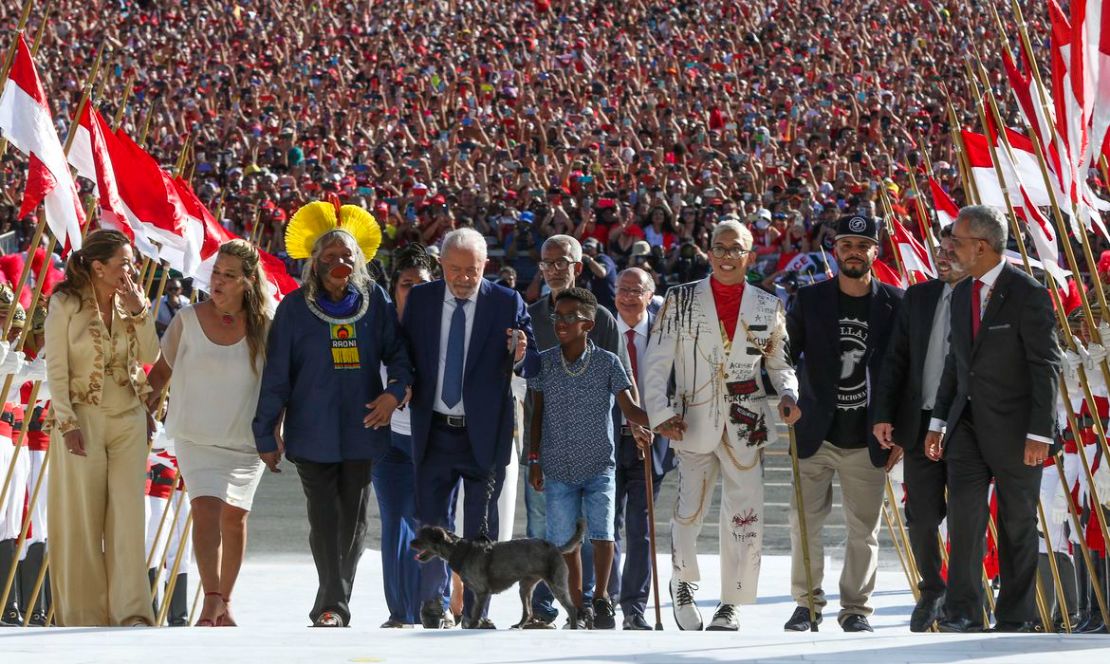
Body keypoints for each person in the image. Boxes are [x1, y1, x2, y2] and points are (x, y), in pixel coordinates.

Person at [254, 200, 413, 628]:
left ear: (358, 261)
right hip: (312, 433)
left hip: (364, 429)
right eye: (330, 256)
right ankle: (335, 604)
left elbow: (399, 357)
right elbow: (276, 377)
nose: (340, 262)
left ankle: (331, 601)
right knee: (324, 519)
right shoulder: (293, 308)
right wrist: (266, 434)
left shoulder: (375, 301)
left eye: (347, 256)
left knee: (355, 523)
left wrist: (393, 394)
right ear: (315, 263)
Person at [645, 219, 800, 631]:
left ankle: (732, 601)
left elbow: (780, 364)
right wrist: (659, 413)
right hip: (689, 419)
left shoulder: (768, 306)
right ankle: (683, 580)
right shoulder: (678, 300)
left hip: (747, 423)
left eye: (737, 249)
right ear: (708, 252)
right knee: (688, 509)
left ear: (750, 256)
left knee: (745, 513)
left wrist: (789, 394)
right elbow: (657, 362)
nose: (728, 256)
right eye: (720, 247)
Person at [925, 205, 1063, 633]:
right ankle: (963, 611)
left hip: (1020, 432)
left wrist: (1041, 432)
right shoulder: (963, 292)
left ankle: (1014, 616)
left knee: (1017, 525)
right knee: (964, 521)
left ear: (981, 246)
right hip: (965, 427)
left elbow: (1046, 366)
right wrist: (937, 423)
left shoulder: (1028, 293)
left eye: (959, 242)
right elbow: (955, 363)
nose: (951, 250)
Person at [402, 227, 538, 629]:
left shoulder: (507, 301)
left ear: (485, 266)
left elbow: (530, 365)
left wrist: (521, 353)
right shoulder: (422, 300)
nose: (463, 278)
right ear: (441, 264)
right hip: (434, 430)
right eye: (455, 269)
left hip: (483, 433)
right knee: (432, 522)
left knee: (482, 529)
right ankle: (435, 603)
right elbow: (404, 354)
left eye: (472, 270)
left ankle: (477, 611)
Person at [784, 214, 903, 633]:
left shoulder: (895, 301)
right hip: (814, 431)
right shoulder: (810, 299)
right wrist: (786, 395)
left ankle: (855, 608)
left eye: (862, 244)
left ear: (876, 251)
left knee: (863, 532)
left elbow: (905, 370)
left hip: (868, 437)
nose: (854, 251)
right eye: (846, 244)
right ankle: (806, 604)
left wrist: (901, 430)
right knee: (804, 525)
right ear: (835, 250)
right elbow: (783, 354)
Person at [147, 239, 273, 627]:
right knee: (205, 510)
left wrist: (276, 433)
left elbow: (278, 388)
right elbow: (159, 374)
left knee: (235, 518)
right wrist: (142, 413)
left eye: (229, 276)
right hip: (194, 436)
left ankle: (226, 602)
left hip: (245, 441)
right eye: (216, 273)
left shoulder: (267, 327)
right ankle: (210, 598)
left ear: (248, 282)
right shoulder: (186, 319)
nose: (217, 281)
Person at [44, 229, 158, 626]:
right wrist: (66, 421)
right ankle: (83, 613)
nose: (131, 269)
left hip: (128, 415)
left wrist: (140, 309)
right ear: (98, 266)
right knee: (83, 517)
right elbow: (56, 368)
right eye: (124, 263)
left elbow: (150, 354)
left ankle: (132, 612)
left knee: (129, 516)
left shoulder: (131, 302)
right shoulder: (65, 302)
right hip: (83, 418)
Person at [527, 288, 653, 630]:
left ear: (589, 324)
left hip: (600, 464)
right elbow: (535, 414)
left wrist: (659, 421)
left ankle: (601, 598)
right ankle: (577, 603)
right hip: (556, 466)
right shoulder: (546, 362)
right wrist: (534, 458)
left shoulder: (608, 362)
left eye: (570, 317)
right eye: (558, 317)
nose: (561, 323)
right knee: (566, 540)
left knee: (603, 533)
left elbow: (629, 409)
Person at [873, 227, 967, 631]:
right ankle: (933, 589)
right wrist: (884, 414)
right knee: (922, 517)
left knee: (968, 517)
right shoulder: (918, 296)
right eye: (939, 250)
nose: (942, 257)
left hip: (969, 427)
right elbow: (895, 360)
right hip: (920, 423)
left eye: (952, 251)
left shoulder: (987, 299)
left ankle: (965, 596)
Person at [374, 244, 436, 628]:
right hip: (386, 439)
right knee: (394, 519)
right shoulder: (377, 328)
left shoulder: (447, 329)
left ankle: (430, 605)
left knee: (427, 522)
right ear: (394, 288)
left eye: (422, 284)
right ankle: (399, 612)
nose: (413, 291)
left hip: (432, 439)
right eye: (406, 284)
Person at [611, 267, 675, 630]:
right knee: (606, 526)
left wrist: (660, 421)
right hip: (608, 439)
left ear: (650, 296)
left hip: (652, 441)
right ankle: (606, 599)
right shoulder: (603, 330)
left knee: (641, 527)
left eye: (636, 290)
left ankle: (634, 607)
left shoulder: (666, 332)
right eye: (622, 289)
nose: (628, 296)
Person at [580, 238, 617, 313]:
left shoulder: (603, 258)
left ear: (598, 248)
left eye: (590, 247)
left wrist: (588, 259)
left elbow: (602, 273)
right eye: (585, 247)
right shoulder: (585, 263)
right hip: (593, 304)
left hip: (608, 304)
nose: (587, 250)